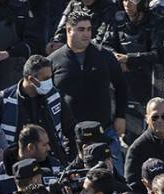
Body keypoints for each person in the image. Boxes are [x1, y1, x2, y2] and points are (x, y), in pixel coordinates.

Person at [49, 10, 128, 165]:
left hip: (104, 131)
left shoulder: (104, 56)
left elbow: (121, 85)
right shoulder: (54, 60)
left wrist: (120, 116)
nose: (86, 34)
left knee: (115, 179)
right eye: (81, 29)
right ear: (68, 30)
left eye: (89, 29)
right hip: (70, 137)